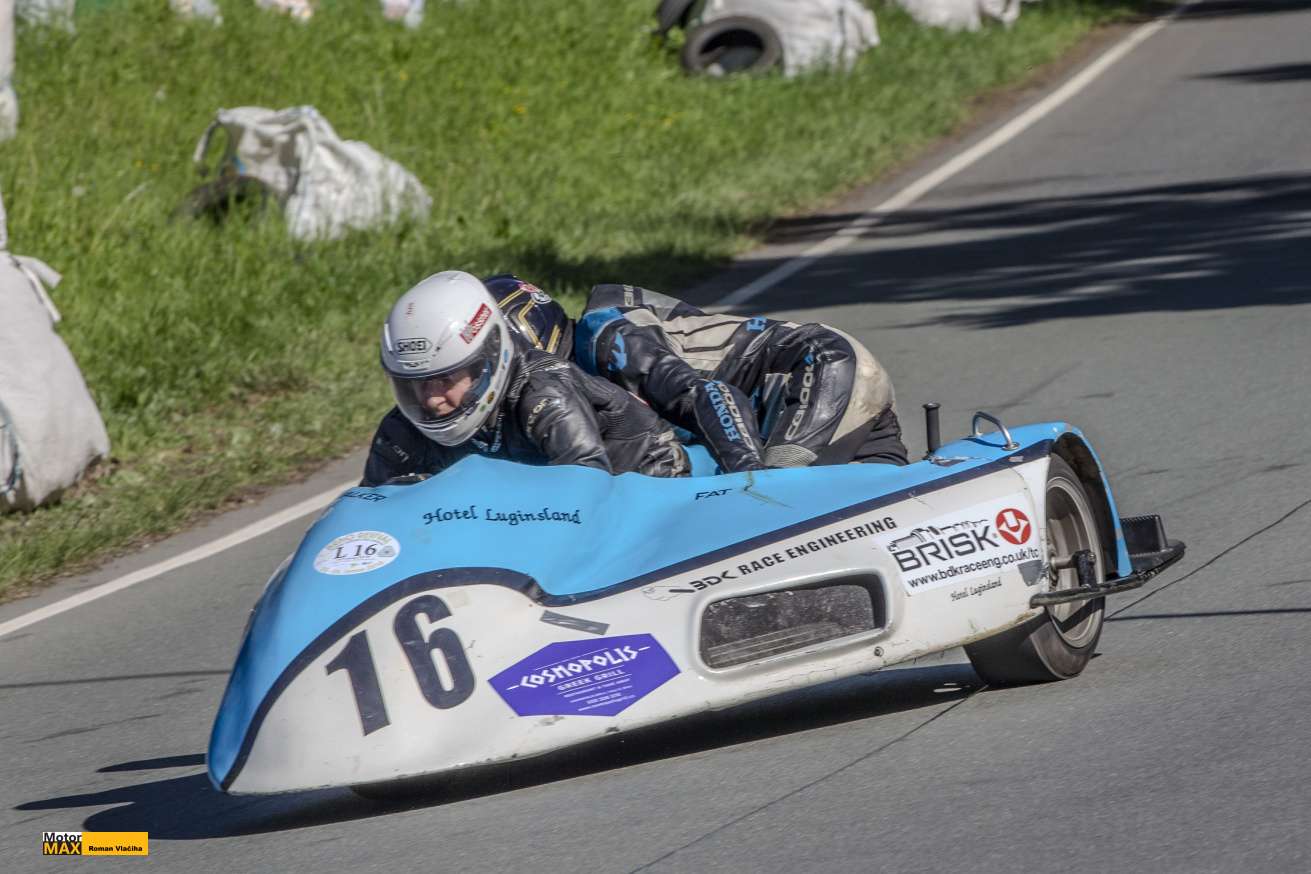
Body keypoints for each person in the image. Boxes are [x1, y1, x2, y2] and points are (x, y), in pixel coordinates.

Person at [486, 275, 908, 473]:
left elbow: (716, 397)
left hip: (818, 368)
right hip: (785, 413)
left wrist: (748, 482)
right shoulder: (574, 390)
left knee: (774, 511)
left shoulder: (608, 339)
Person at [361, 271, 691, 486]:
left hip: (642, 480)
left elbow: (585, 487)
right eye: (415, 384)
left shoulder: (544, 393)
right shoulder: (402, 428)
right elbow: (368, 509)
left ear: (483, 364)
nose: (431, 399)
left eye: (444, 379)